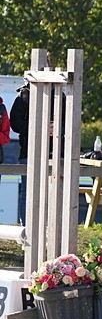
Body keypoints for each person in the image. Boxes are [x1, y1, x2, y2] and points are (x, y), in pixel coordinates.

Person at [9, 81, 28, 223]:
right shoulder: (22, 96)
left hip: (54, 152)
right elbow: (15, 124)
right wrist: (40, 127)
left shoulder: (59, 95)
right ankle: (25, 226)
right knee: (27, 192)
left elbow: (68, 122)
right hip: (27, 151)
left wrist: (55, 127)